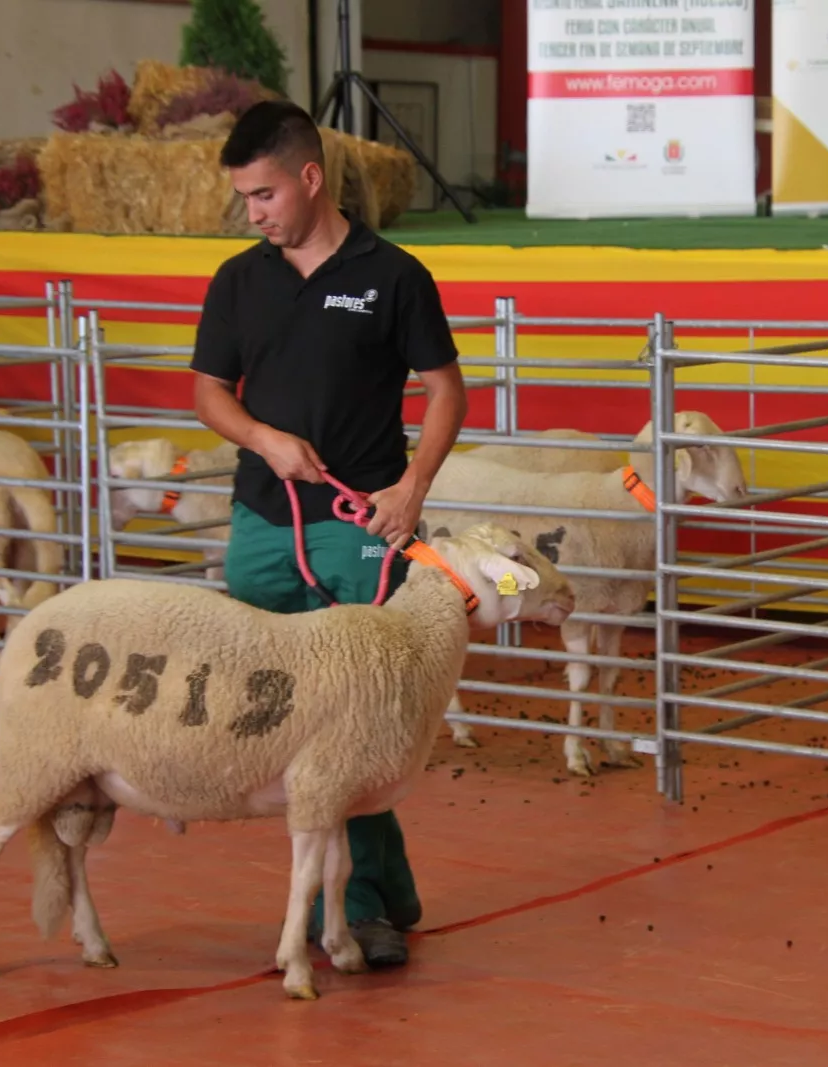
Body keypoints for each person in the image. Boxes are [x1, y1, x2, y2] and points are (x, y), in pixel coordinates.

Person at [189, 100, 468, 969]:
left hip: (358, 525)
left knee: (357, 723)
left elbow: (445, 389)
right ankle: (364, 892)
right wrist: (264, 439)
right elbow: (209, 391)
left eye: (265, 193)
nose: (255, 212)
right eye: (244, 198)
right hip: (264, 524)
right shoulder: (239, 278)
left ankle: (356, 910)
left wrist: (413, 487)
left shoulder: (391, 274)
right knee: (277, 718)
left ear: (310, 178)